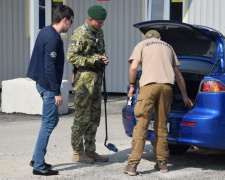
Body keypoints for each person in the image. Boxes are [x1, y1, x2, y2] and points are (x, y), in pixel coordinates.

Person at [124, 30, 193, 175]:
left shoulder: (142, 44)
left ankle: (132, 165)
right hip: (167, 87)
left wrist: (131, 85)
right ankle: (162, 164)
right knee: (162, 126)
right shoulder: (168, 47)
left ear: (146, 38)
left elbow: (134, 67)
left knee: (141, 125)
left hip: (148, 87)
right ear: (159, 38)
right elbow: (179, 77)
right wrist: (185, 97)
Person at [26, 5, 74, 176]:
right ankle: (38, 165)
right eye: (71, 22)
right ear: (64, 19)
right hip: (48, 86)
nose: (70, 25)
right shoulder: (54, 38)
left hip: (41, 83)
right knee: (48, 124)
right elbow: (49, 67)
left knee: (52, 121)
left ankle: (36, 157)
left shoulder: (45, 31)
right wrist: (57, 92)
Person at [67, 5, 109, 164]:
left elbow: (101, 51)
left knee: (94, 115)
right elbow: (71, 56)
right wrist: (92, 61)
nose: (101, 24)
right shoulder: (80, 33)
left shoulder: (99, 32)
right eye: (99, 22)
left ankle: (90, 150)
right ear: (90, 19)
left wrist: (104, 59)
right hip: (84, 79)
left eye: (103, 22)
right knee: (82, 116)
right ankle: (78, 152)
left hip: (96, 78)